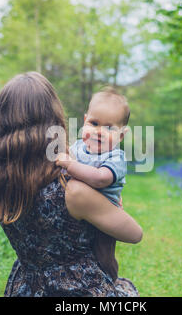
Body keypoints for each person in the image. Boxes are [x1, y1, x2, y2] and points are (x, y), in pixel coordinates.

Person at [0, 72, 142, 296]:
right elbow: (134, 234)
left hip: (25, 288)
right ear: (53, 121)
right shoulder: (73, 190)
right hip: (79, 291)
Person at [56, 87, 130, 281]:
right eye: (94, 123)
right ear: (85, 121)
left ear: (121, 136)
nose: (99, 132)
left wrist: (70, 165)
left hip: (104, 214)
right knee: (78, 253)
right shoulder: (77, 147)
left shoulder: (116, 157)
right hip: (79, 211)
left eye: (109, 128)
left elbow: (99, 178)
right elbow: (61, 165)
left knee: (103, 256)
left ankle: (110, 282)